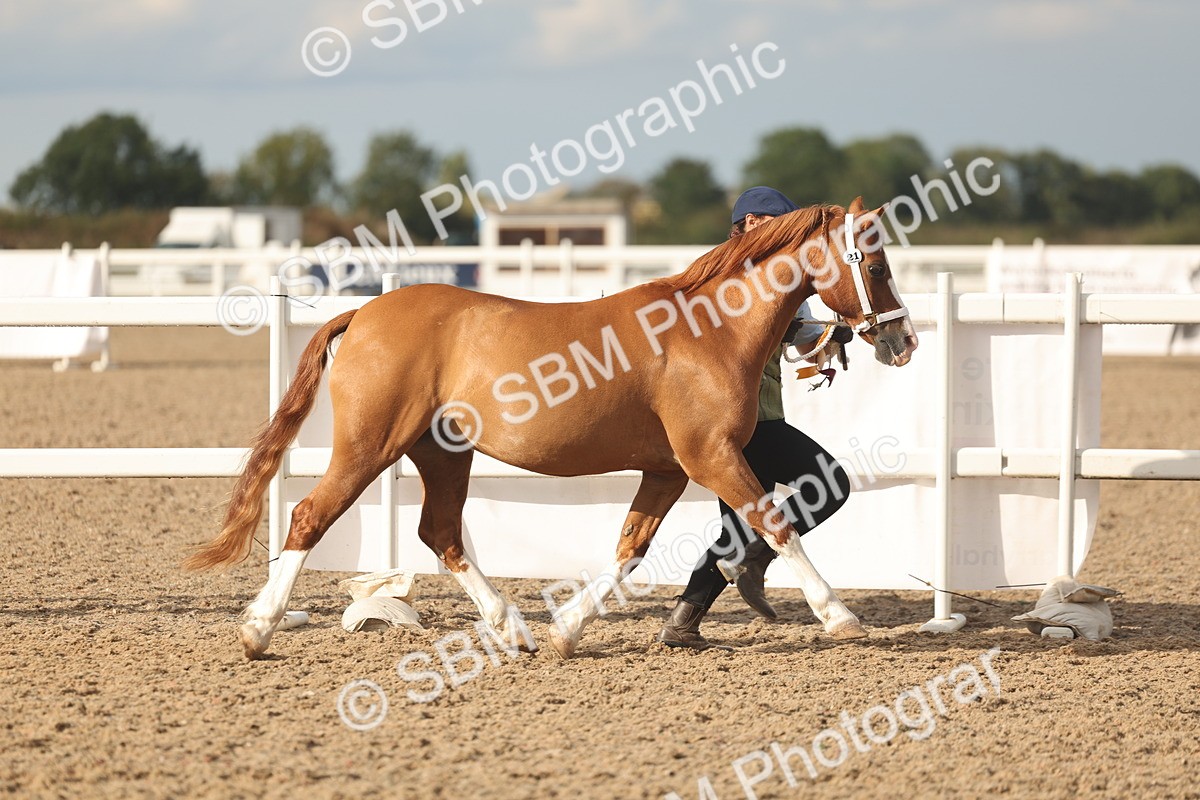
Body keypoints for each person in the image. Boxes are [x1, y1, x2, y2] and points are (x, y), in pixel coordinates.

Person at [657, 186, 854, 650]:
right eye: (770, 223)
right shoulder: (722, 273)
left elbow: (800, 343)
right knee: (829, 484)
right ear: (746, 224)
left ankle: (685, 622)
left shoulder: (786, 278)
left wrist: (828, 338)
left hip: (762, 410)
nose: (779, 233)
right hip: (736, 416)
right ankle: (757, 557)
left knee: (738, 526)